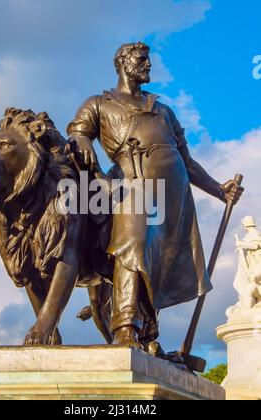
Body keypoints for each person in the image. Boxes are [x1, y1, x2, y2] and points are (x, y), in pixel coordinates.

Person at [67, 41, 243, 353]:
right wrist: (82, 142)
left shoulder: (163, 110)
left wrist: (219, 189)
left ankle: (147, 336)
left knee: (157, 265)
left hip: (173, 195)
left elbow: (187, 161)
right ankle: (125, 328)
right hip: (130, 184)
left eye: (149, 60)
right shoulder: (99, 103)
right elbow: (78, 132)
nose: (149, 65)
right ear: (123, 62)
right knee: (131, 245)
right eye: (142, 60)